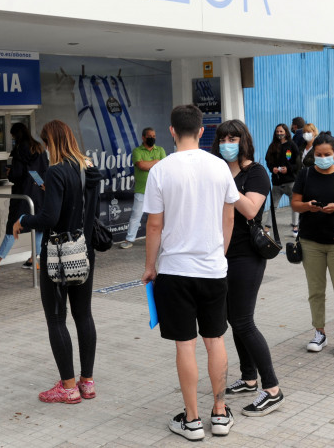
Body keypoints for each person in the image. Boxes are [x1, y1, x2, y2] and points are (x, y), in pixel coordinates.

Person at [141, 104, 240, 440]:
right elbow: (229, 218)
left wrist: (149, 266)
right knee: (215, 340)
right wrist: (219, 254)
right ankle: (220, 413)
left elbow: (154, 226)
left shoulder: (160, 170)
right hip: (213, 270)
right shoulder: (220, 167)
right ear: (201, 131)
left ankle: (193, 420)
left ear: (171, 131)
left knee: (185, 345)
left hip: (174, 272)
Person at [13, 120, 102, 404]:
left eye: (47, 143)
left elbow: (50, 218)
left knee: (56, 318)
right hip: (84, 251)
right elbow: (84, 210)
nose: (46, 149)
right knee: (83, 315)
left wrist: (23, 220)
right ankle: (86, 382)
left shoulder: (55, 171)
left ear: (53, 142)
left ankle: (67, 387)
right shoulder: (88, 168)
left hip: (58, 255)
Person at [212, 120, 285, 417]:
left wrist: (227, 183)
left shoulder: (256, 173)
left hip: (247, 256)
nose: (228, 143)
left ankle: (272, 389)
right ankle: (249, 377)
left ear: (243, 141)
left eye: (233, 138)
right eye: (223, 138)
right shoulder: (217, 168)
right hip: (221, 254)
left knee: (243, 321)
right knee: (232, 318)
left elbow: (250, 209)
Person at [291, 132, 334, 357]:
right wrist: (307, 206)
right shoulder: (306, 174)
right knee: (316, 291)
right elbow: (295, 203)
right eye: (318, 154)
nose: (322, 158)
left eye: (327, 154)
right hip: (310, 240)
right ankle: (319, 332)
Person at [0, 123, 47, 272]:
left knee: (13, 225)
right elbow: (42, 170)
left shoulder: (19, 149)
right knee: (39, 226)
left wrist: (9, 172)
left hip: (23, 194)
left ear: (16, 135)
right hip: (39, 192)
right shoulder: (39, 147)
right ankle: (34, 259)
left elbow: (17, 173)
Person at [120, 127, 166, 249]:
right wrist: (156, 162)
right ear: (143, 137)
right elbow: (141, 165)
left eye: (154, 136)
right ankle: (129, 240)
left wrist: (151, 164)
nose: (152, 138)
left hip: (158, 190)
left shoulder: (160, 150)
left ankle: (164, 239)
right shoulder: (137, 151)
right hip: (142, 190)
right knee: (136, 215)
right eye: (150, 136)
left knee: (160, 216)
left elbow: (164, 166)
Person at [263, 123, 300, 235]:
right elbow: (268, 160)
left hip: (290, 182)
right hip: (277, 182)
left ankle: (295, 227)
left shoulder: (292, 145)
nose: (279, 134)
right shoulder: (273, 146)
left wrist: (288, 169)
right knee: (273, 206)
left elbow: (297, 164)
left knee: (294, 204)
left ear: (286, 132)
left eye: (281, 131)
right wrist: (272, 169)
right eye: (277, 131)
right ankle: (267, 228)